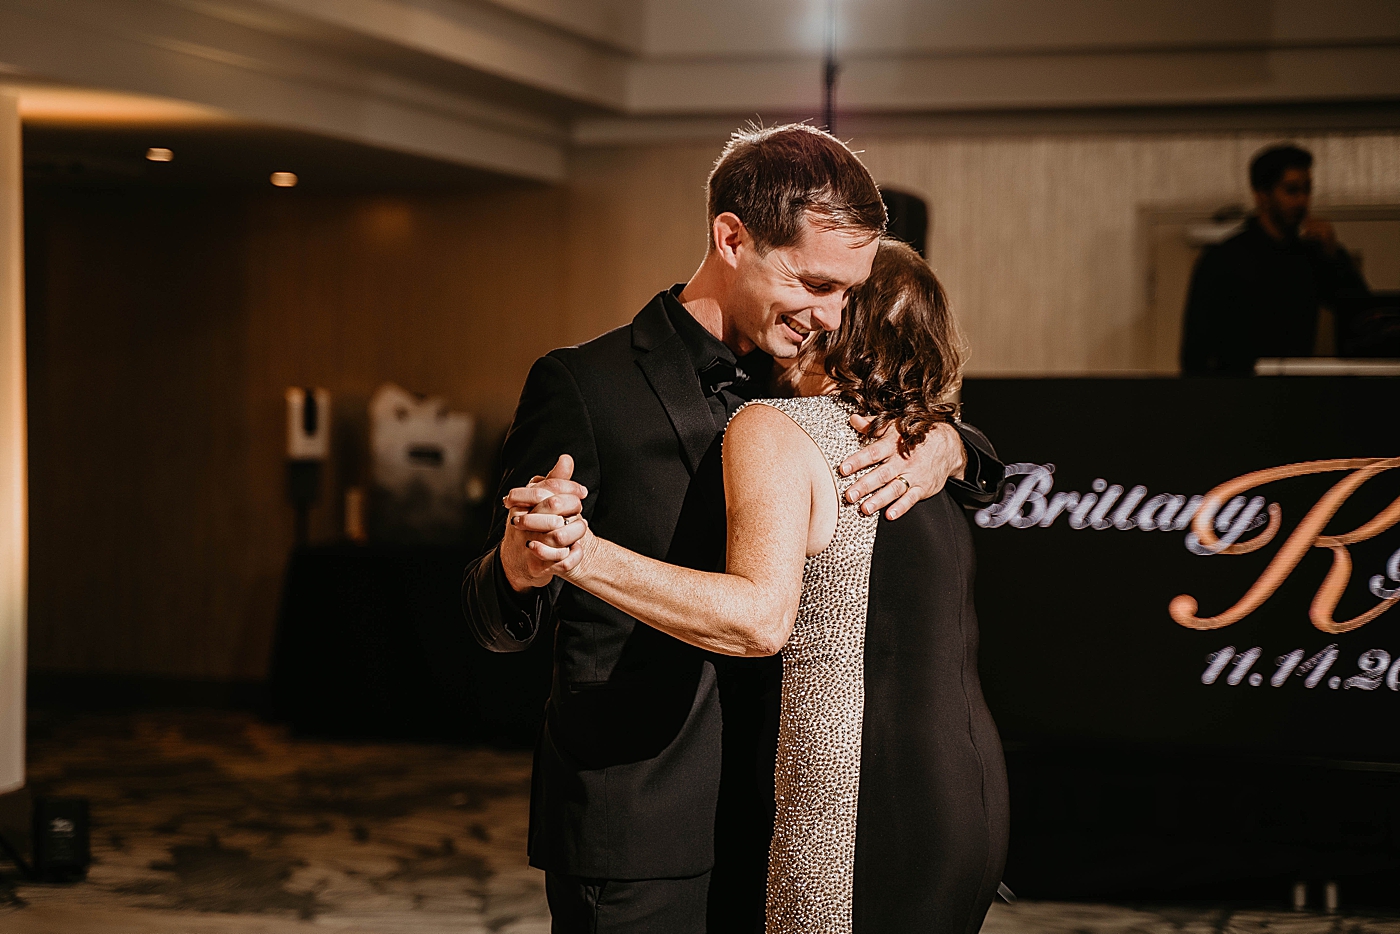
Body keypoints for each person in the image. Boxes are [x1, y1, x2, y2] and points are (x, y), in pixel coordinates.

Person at [461, 124, 1004, 934]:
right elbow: (487, 613)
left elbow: (975, 449)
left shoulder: (814, 381)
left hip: (797, 813)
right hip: (641, 819)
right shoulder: (584, 385)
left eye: (850, 292)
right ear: (731, 236)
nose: (832, 316)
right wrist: (519, 564)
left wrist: (955, 446)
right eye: (815, 284)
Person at [1180, 143, 1370, 374]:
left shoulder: (1312, 255)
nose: (1303, 201)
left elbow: (1362, 317)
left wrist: (1334, 257)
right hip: (1237, 393)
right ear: (1262, 196)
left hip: (1293, 390)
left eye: (1307, 190)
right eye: (1291, 191)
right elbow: (1195, 350)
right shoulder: (1224, 259)